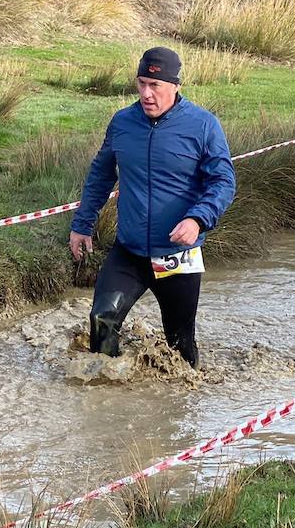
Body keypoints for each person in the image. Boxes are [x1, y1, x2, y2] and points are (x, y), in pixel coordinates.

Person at [68, 46, 236, 368]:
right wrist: (82, 224)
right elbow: (102, 174)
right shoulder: (122, 123)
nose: (146, 94)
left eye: (155, 86)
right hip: (129, 251)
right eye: (141, 83)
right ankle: (107, 400)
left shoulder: (203, 126)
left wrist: (198, 220)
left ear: (175, 86)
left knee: (179, 342)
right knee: (102, 320)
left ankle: (181, 403)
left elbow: (223, 182)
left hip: (176, 254)